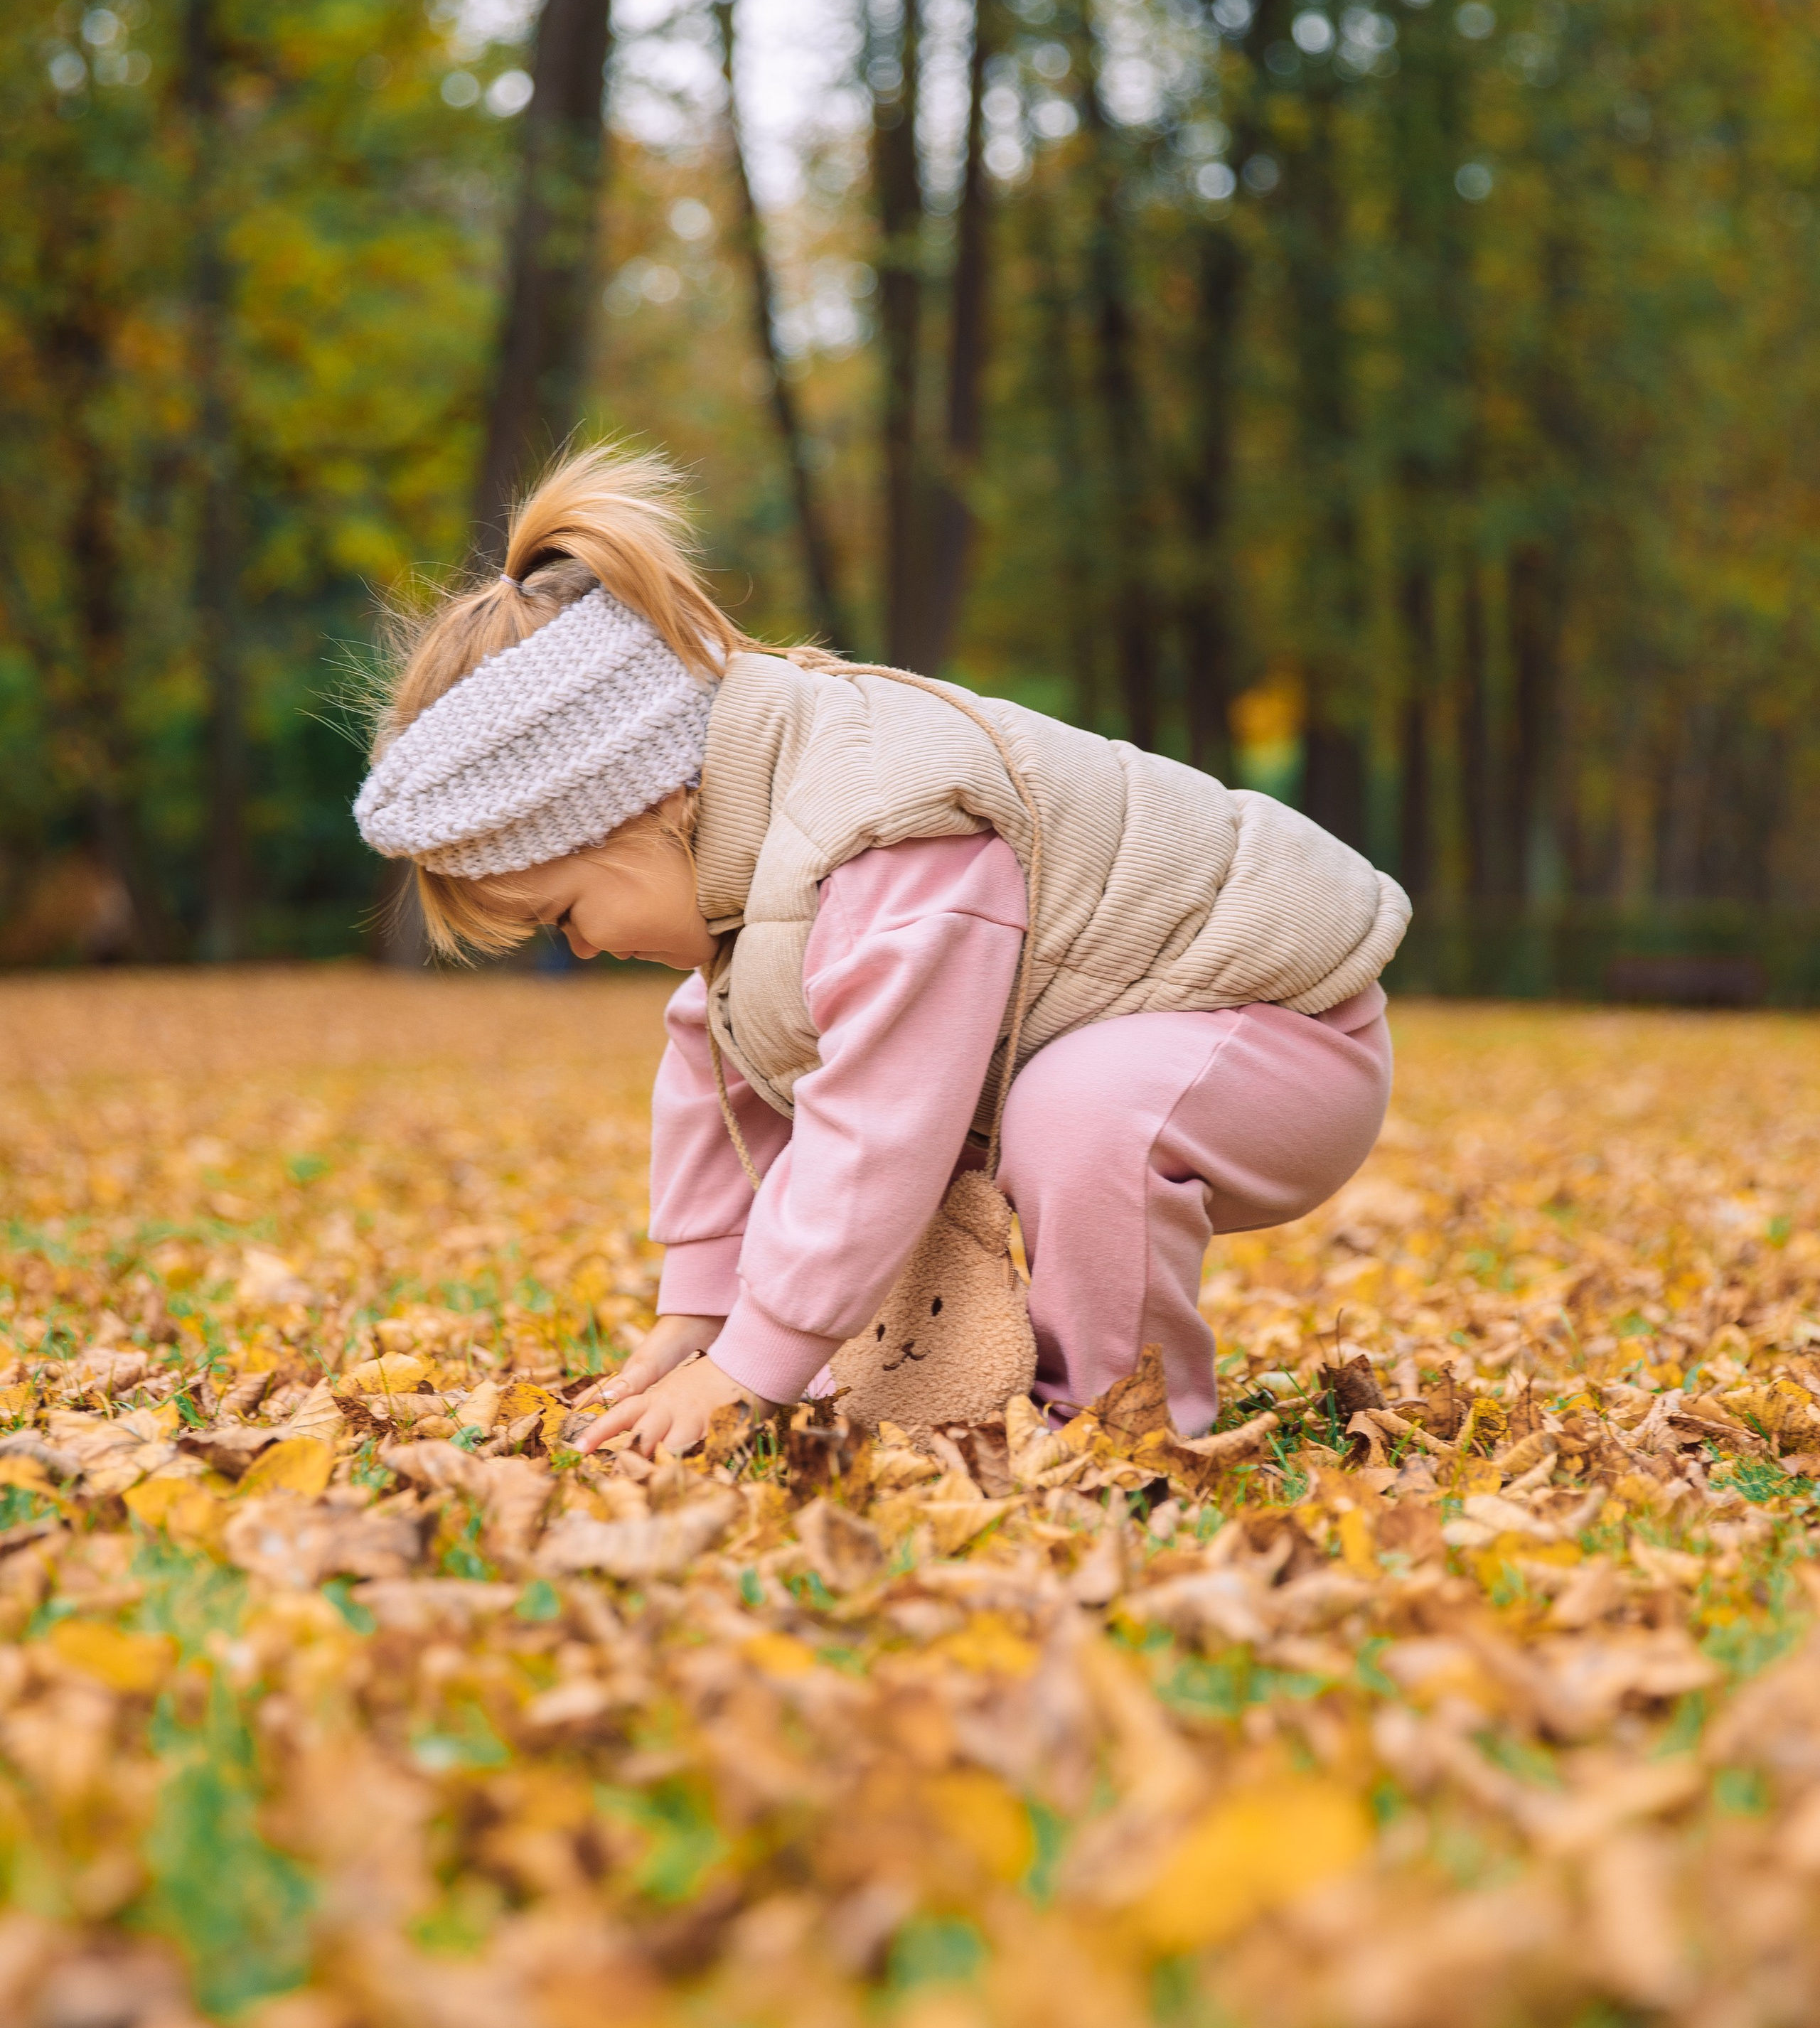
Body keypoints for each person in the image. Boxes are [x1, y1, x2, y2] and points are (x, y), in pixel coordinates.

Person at [353, 447, 1408, 1455]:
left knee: (1083, 1114)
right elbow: (718, 1071)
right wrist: (703, 1316)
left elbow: (876, 1132)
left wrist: (754, 1367)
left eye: (562, 913)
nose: (578, 950)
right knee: (1050, 1105)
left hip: (1284, 1038)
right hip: (1160, 1035)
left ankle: (1113, 1421)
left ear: (638, 811)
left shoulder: (886, 834)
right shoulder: (754, 864)